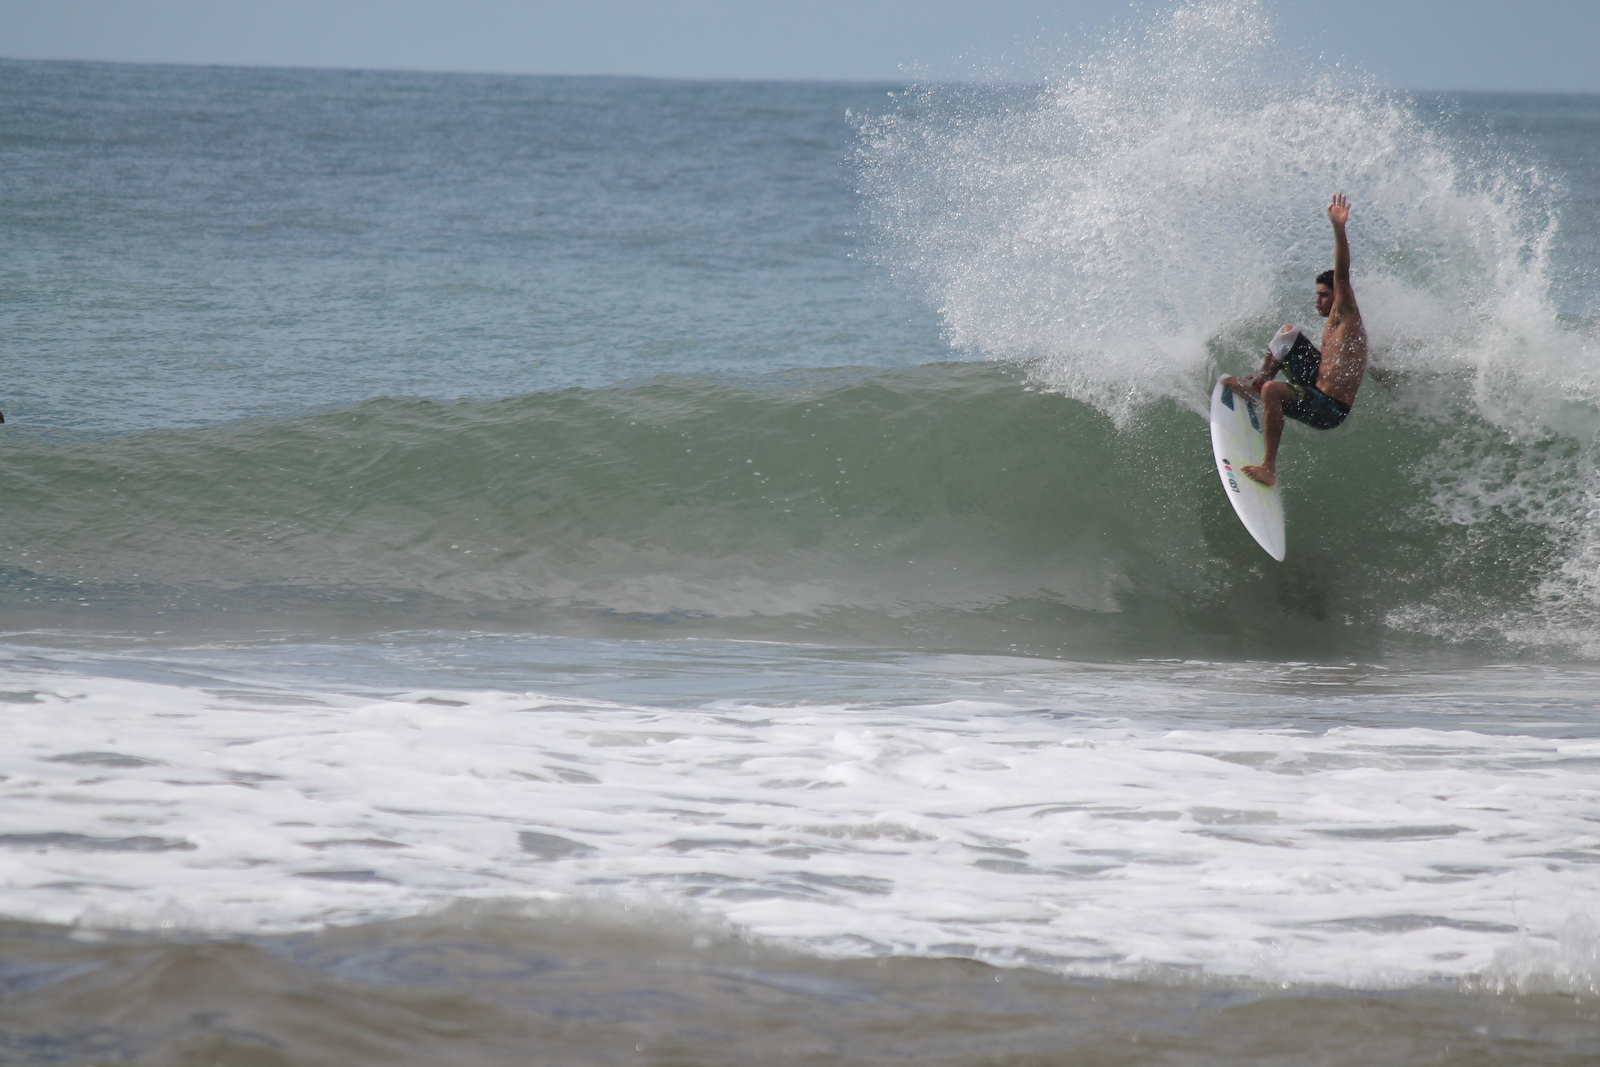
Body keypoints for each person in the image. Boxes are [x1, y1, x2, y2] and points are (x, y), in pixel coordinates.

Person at [1221, 193, 1367, 487]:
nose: (1318, 300)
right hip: (1315, 385)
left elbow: (1342, 273)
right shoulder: (1333, 324)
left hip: (1329, 408)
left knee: (1274, 391)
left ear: (1338, 296)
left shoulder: (1347, 314)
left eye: (1323, 294)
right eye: (1317, 294)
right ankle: (1257, 386)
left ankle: (1268, 468)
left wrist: (1339, 228)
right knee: (1288, 334)